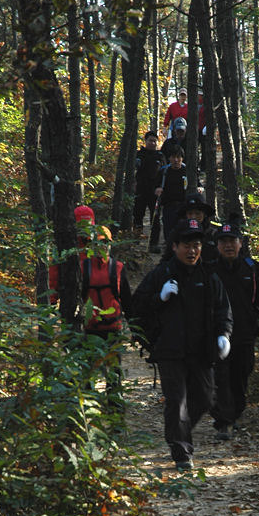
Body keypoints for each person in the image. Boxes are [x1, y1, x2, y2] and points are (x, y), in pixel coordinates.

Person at [132, 219, 233, 471]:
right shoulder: (161, 274)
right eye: (187, 245)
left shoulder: (209, 276)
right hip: (170, 351)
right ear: (175, 246)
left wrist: (224, 334)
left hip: (202, 351)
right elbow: (136, 308)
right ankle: (181, 452)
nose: (192, 251)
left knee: (206, 398)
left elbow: (224, 309)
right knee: (176, 401)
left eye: (196, 245)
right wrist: (160, 297)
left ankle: (180, 431)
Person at [49, 205, 132, 391]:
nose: (85, 228)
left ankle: (112, 401)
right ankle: (84, 396)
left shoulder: (98, 242)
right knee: (80, 356)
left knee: (110, 362)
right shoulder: (66, 244)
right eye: (81, 224)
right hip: (77, 310)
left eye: (88, 223)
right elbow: (54, 273)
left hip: (104, 317)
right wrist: (53, 299)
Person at [210, 219, 259, 441]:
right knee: (221, 376)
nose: (228, 246)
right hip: (217, 334)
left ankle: (235, 413)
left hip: (245, 333)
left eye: (232, 241)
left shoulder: (253, 268)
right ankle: (223, 422)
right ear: (217, 245)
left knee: (241, 374)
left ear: (240, 244)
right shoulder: (209, 269)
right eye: (224, 242)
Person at [148, 144, 188, 253]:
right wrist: (157, 190)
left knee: (183, 231)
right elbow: (155, 185)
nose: (176, 160)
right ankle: (170, 252)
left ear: (182, 158)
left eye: (178, 157)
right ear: (169, 158)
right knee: (169, 231)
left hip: (184, 207)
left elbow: (197, 184)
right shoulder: (164, 171)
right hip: (168, 206)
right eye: (173, 157)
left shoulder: (187, 170)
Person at [161, 191, 218, 264]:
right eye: (190, 213)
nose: (193, 217)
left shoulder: (213, 235)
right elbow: (166, 259)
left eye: (197, 213)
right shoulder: (176, 234)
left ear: (204, 215)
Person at [133, 131, 165, 236]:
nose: (152, 143)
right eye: (150, 141)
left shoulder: (160, 156)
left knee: (155, 217)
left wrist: (161, 187)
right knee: (138, 214)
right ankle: (136, 237)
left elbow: (165, 173)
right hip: (140, 189)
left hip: (155, 191)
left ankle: (153, 241)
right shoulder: (138, 155)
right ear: (145, 141)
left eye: (155, 141)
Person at [197, 90, 206, 171]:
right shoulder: (194, 105)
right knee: (195, 148)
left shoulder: (205, 106)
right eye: (199, 95)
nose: (200, 97)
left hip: (203, 131)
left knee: (204, 149)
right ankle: (196, 165)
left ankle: (203, 167)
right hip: (195, 130)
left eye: (201, 95)